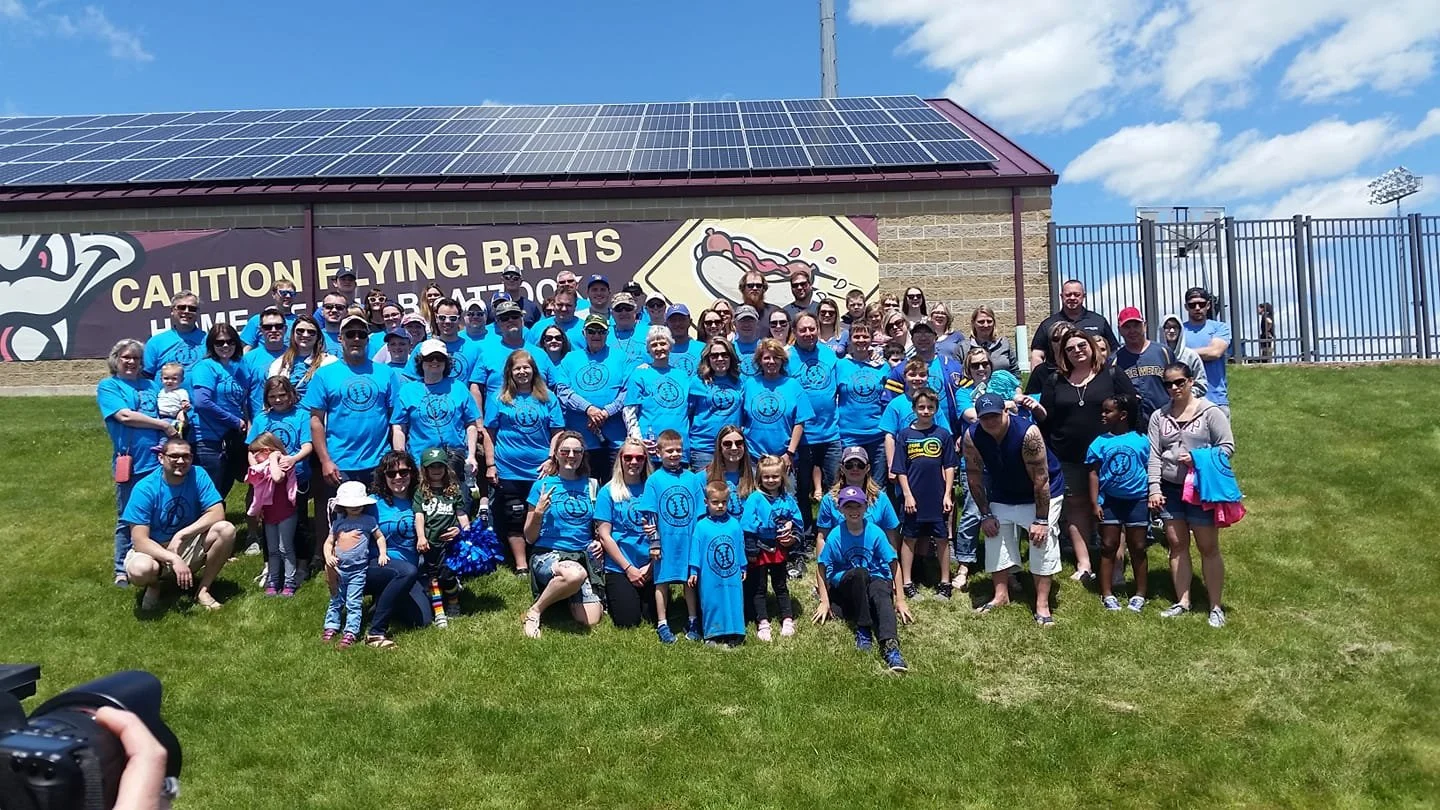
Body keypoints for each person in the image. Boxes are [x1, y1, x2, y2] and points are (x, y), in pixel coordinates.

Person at [1026, 331, 1136, 581]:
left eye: (1081, 345)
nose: (1077, 351)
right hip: (1068, 454)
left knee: (1110, 508)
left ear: (1091, 347)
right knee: (1075, 507)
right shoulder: (1055, 380)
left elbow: (1130, 407)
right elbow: (1048, 418)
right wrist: (1036, 410)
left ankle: (1115, 566)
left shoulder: (1111, 374)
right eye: (1070, 348)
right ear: (1064, 354)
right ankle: (1084, 564)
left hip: (1108, 457)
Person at [301, 314, 401, 563]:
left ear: (368, 339)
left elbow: (395, 417)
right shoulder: (325, 375)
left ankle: (377, 559)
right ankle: (329, 560)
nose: (356, 339)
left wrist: (396, 457)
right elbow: (315, 420)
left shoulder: (385, 373)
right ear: (341, 339)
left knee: (377, 517)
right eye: (350, 334)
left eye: (361, 334)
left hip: (378, 461)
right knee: (336, 519)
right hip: (339, 461)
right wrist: (324, 460)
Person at [963, 394, 1064, 625]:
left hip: (1041, 491)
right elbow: (974, 477)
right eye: (985, 417)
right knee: (994, 534)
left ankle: (1042, 605)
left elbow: (1041, 479)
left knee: (1041, 540)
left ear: (1006, 412)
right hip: (1003, 490)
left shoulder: (1028, 434)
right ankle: (1001, 595)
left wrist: (1041, 519)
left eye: (995, 415)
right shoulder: (972, 436)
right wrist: (985, 514)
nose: (990, 421)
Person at [1148, 362, 1235, 628]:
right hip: (1170, 489)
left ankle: (1215, 606)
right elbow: (1154, 455)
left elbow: (1227, 447)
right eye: (1168, 384)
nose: (1174, 388)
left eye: (1179, 382)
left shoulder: (1211, 412)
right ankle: (1182, 601)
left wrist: (1197, 458)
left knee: (1208, 547)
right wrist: (1154, 488)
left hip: (1201, 489)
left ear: (1190, 381)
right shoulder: (1158, 416)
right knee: (1176, 545)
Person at [122, 437, 237, 612]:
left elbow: (217, 513)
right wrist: (173, 558)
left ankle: (203, 590)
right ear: (161, 458)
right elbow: (140, 541)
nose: (181, 461)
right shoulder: (144, 489)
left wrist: (181, 535)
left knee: (226, 530)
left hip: (186, 544)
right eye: (174, 456)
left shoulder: (198, 475)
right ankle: (154, 585)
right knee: (140, 570)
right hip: (154, 550)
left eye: (186, 456)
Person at [99, 338, 175, 586]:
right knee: (128, 517)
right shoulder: (109, 387)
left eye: (136, 358)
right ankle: (122, 567)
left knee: (160, 512)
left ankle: (159, 560)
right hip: (132, 463)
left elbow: (168, 408)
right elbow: (124, 416)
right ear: (116, 360)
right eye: (126, 357)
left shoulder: (152, 385)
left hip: (160, 461)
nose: (131, 362)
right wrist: (162, 425)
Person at [813, 485, 912, 673]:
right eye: (848, 507)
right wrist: (824, 601)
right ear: (840, 509)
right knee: (860, 573)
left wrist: (900, 599)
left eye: (858, 506)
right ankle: (864, 629)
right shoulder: (835, 535)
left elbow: (893, 564)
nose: (854, 511)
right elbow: (821, 566)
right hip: (848, 584)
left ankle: (891, 647)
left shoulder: (875, 532)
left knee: (881, 591)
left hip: (874, 579)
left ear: (866, 507)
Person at [485, 349, 564, 577]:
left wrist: (551, 459)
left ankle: (539, 556)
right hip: (508, 467)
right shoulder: (499, 399)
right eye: (517, 368)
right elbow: (489, 432)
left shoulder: (548, 397)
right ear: (510, 372)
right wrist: (490, 464)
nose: (522, 372)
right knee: (514, 514)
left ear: (534, 370)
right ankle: (521, 565)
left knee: (541, 513)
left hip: (540, 468)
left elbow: (558, 431)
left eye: (526, 367)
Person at [391, 338, 481, 515]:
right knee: (425, 511)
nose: (434, 362)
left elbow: (471, 424)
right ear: (421, 361)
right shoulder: (408, 391)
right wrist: (401, 458)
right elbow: (399, 428)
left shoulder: (459, 387)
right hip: (420, 461)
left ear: (446, 362)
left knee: (458, 510)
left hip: (454, 459)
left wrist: (471, 455)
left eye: (439, 358)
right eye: (429, 358)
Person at [890, 389, 958, 601]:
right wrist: (908, 495)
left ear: (936, 409)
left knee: (942, 538)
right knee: (910, 537)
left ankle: (945, 582)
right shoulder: (904, 436)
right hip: (913, 497)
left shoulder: (943, 435)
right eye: (921, 407)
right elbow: (900, 469)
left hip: (937, 496)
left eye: (930, 407)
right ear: (914, 409)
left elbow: (949, 466)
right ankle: (907, 582)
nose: (926, 411)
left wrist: (947, 495)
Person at [1086, 393, 1151, 612]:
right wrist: (1095, 503)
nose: (1102, 415)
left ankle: (1140, 593)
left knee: (1139, 547)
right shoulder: (1100, 442)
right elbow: (1093, 474)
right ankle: (1107, 593)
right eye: (1102, 411)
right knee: (1108, 546)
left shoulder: (1141, 439)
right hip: (1110, 501)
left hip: (1137, 500)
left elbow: (1149, 468)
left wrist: (1152, 494)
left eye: (1108, 411)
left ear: (1122, 415)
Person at [360, 451, 433, 647]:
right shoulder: (372, 502)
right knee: (406, 571)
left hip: (409, 572)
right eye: (391, 474)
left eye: (403, 472)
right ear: (383, 477)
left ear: (412, 473)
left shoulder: (420, 499)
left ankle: (383, 602)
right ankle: (376, 633)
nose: (398, 477)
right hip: (377, 565)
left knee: (423, 620)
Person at [246, 376, 314, 581]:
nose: (278, 399)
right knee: (269, 521)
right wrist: (257, 468)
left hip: (296, 478)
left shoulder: (301, 415)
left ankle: (302, 564)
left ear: (291, 394)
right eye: (272, 396)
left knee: (299, 521)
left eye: (282, 395)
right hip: (267, 482)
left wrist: (293, 459)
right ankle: (271, 565)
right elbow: (250, 448)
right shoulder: (261, 419)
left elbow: (307, 446)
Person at [788, 312, 841, 564]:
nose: (808, 333)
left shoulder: (830, 354)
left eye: (812, 328)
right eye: (803, 329)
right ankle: (806, 537)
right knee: (802, 490)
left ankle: (832, 532)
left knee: (835, 487)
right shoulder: (788, 357)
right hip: (803, 436)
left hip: (831, 434)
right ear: (795, 332)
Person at [643, 429, 703, 643]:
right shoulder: (654, 480)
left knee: (690, 581)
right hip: (665, 541)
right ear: (658, 452)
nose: (675, 454)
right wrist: (655, 543)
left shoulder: (692, 479)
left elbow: (700, 513)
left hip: (687, 539)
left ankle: (693, 619)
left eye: (678, 450)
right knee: (662, 581)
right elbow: (650, 514)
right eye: (669, 451)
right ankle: (662, 622)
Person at [556, 314, 629, 481]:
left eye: (601, 331)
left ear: (607, 333)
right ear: (584, 333)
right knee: (585, 492)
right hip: (581, 442)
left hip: (615, 441)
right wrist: (589, 409)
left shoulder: (621, 357)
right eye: (591, 331)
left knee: (615, 492)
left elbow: (628, 391)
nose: (596, 335)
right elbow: (562, 390)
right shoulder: (570, 358)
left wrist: (606, 412)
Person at [596, 438, 656, 629]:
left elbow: (665, 531)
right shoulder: (608, 491)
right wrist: (629, 569)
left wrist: (651, 566)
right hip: (620, 565)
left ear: (645, 460)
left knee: (653, 617)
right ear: (620, 459)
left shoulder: (654, 489)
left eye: (639, 458)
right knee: (627, 621)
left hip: (651, 563)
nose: (634, 462)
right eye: (628, 457)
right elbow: (605, 535)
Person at [741, 455, 800, 640]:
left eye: (775, 476)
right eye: (766, 477)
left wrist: (792, 529)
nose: (771, 480)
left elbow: (798, 522)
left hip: (779, 549)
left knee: (781, 585)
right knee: (759, 588)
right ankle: (762, 621)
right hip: (759, 549)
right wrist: (750, 551)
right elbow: (748, 527)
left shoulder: (787, 499)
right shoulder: (754, 499)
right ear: (760, 477)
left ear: (782, 477)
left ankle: (787, 618)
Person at [321, 480, 387, 648]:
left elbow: (379, 537)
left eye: (358, 504)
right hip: (338, 569)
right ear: (343, 506)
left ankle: (351, 631)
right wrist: (328, 556)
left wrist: (382, 554)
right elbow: (329, 542)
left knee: (353, 601)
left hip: (358, 570)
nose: (355, 507)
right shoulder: (338, 523)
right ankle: (331, 625)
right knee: (336, 598)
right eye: (351, 505)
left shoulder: (368, 520)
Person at [188, 323, 248, 499]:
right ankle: (204, 526)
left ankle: (215, 524)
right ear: (211, 345)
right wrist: (235, 421)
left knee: (224, 487)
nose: (225, 346)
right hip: (208, 440)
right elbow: (202, 402)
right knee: (210, 494)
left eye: (230, 342)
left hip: (231, 438)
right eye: (219, 342)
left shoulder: (237, 367)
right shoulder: (205, 367)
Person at [414, 446, 471, 628]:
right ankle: (439, 612)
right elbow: (419, 516)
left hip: (450, 543)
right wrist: (421, 537)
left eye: (440, 466)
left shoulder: (453, 490)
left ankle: (453, 601)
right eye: (432, 467)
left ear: (446, 468)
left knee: (447, 574)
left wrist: (466, 532)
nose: (436, 470)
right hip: (431, 542)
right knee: (433, 576)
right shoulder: (421, 492)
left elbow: (461, 513)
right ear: (425, 469)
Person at [689, 480, 747, 647]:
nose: (720, 506)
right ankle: (712, 634)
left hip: (732, 574)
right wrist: (693, 571)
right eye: (715, 502)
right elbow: (696, 549)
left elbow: (739, 546)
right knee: (711, 601)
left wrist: (743, 566)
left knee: (733, 601)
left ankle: (735, 633)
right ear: (706, 503)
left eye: (724, 502)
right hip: (709, 575)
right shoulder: (701, 526)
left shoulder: (734, 525)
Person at [815, 446, 900, 556]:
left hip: (874, 562)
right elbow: (822, 538)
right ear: (842, 468)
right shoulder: (829, 500)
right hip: (842, 561)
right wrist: (822, 568)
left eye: (860, 465)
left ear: (867, 468)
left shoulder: (881, 498)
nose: (855, 469)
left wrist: (892, 566)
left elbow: (891, 537)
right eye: (849, 465)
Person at [469, 299, 557, 405]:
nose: (510, 320)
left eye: (515, 316)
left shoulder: (540, 354)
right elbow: (475, 387)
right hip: (497, 419)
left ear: (522, 319)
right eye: (505, 318)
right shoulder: (486, 355)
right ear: (498, 323)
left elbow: (556, 386)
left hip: (538, 418)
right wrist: (479, 419)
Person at [625, 328, 693, 461]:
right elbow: (629, 411)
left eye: (663, 343)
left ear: (670, 346)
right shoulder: (639, 374)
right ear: (648, 350)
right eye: (654, 345)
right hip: (651, 446)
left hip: (679, 447)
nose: (659, 348)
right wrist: (638, 440)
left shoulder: (683, 376)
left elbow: (690, 409)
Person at [246, 432, 299, 596]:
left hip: (286, 513)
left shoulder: (283, 464)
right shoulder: (262, 468)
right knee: (273, 550)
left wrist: (274, 458)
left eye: (257, 453)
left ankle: (289, 581)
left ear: (268, 451)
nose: (254, 457)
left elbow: (277, 478)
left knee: (285, 548)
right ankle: (273, 581)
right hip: (269, 515)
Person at [743, 339, 813, 462]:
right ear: (759, 361)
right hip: (753, 457)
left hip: (783, 457)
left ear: (782, 360)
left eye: (776, 357)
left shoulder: (793, 385)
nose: (771, 361)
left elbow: (800, 422)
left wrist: (789, 453)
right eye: (766, 358)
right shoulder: (749, 384)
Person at [835, 323, 888, 483]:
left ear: (871, 339)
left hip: (877, 434)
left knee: (878, 486)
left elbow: (889, 399)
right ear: (850, 339)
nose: (861, 340)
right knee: (851, 484)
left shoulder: (882, 366)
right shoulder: (840, 365)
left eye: (865, 336)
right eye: (856, 336)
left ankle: (876, 509)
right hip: (849, 435)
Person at [1029, 279, 1118, 368]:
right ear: (1061, 296)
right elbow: (1037, 354)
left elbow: (1113, 352)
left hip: (1094, 375)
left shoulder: (1099, 321)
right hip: (1057, 377)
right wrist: (1038, 377)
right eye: (1068, 295)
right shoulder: (1048, 324)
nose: (1072, 298)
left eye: (1076, 295)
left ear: (1084, 296)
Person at [1112, 306, 1175, 423]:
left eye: (1136, 325)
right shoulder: (1115, 360)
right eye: (1126, 327)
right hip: (1132, 423)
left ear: (1144, 325)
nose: (1132, 331)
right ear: (1119, 330)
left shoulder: (1163, 352)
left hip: (1166, 419)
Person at [688, 338, 744, 469]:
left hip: (732, 446)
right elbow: (688, 414)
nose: (720, 359)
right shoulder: (698, 382)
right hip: (705, 448)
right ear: (708, 359)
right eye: (714, 355)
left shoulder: (739, 381)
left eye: (725, 355)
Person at [1182, 287, 1232, 415]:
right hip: (1186, 400)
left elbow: (1215, 352)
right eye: (1192, 305)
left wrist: (1184, 353)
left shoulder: (1220, 327)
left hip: (1216, 399)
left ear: (1208, 305)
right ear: (1186, 307)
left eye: (1202, 304)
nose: (1197, 307)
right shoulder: (1179, 330)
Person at [239, 307, 291, 419]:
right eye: (267, 327)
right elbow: (242, 398)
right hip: (262, 423)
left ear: (285, 329)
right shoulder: (248, 359)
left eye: (278, 326)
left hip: (292, 422)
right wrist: (249, 424)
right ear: (260, 330)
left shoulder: (295, 355)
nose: (273, 330)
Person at [142, 291, 207, 378]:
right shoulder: (156, 342)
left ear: (197, 312)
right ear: (172, 310)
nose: (186, 311)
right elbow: (146, 377)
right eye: (181, 307)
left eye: (192, 309)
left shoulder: (209, 340)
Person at [409, 298, 473, 383]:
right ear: (436, 318)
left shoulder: (474, 349)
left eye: (452, 318)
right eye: (442, 318)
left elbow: (476, 386)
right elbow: (409, 380)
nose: (447, 321)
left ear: (460, 319)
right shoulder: (422, 348)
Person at [703, 425, 755, 519]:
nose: (734, 448)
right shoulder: (703, 477)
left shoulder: (755, 476)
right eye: (727, 444)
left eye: (739, 443)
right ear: (719, 447)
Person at [240, 280, 298, 348]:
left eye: (291, 293)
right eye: (283, 293)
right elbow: (246, 350)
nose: (288, 296)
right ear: (273, 294)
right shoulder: (257, 320)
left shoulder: (299, 322)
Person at [964, 305, 1020, 375]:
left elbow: (1015, 371)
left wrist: (1017, 385)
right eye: (981, 322)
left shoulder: (1004, 344)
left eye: (989, 321)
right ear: (973, 323)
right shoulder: (964, 347)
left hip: (1003, 385)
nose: (986, 325)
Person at [607, 291, 647, 367]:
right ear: (612, 313)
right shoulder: (604, 334)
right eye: (619, 309)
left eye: (628, 308)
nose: (624, 312)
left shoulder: (651, 333)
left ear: (635, 310)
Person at [665, 304, 704, 376]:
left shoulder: (703, 349)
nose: (677, 323)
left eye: (682, 319)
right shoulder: (661, 350)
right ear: (666, 323)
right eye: (673, 320)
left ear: (690, 322)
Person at [155, 362, 191, 437]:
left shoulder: (181, 392)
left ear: (181, 380)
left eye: (174, 379)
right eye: (166, 378)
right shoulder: (161, 391)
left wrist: (184, 408)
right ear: (161, 379)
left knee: (165, 432)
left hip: (171, 417)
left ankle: (162, 445)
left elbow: (185, 402)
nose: (170, 381)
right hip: (158, 416)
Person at [731, 305, 763, 375]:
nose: (746, 324)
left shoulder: (765, 347)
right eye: (742, 320)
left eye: (750, 320)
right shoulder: (729, 348)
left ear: (757, 323)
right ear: (734, 324)